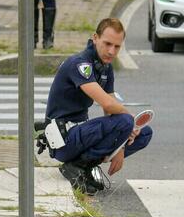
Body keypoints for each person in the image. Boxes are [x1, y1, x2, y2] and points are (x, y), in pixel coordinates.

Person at [43, 18, 153, 195]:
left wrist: (122, 146)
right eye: (107, 44)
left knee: (144, 132)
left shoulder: (105, 67)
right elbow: (108, 103)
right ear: (95, 38)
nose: (111, 51)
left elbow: (110, 111)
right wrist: (130, 122)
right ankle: (76, 166)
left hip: (80, 135)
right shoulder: (79, 64)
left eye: (117, 46)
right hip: (63, 140)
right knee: (126, 121)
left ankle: (84, 166)